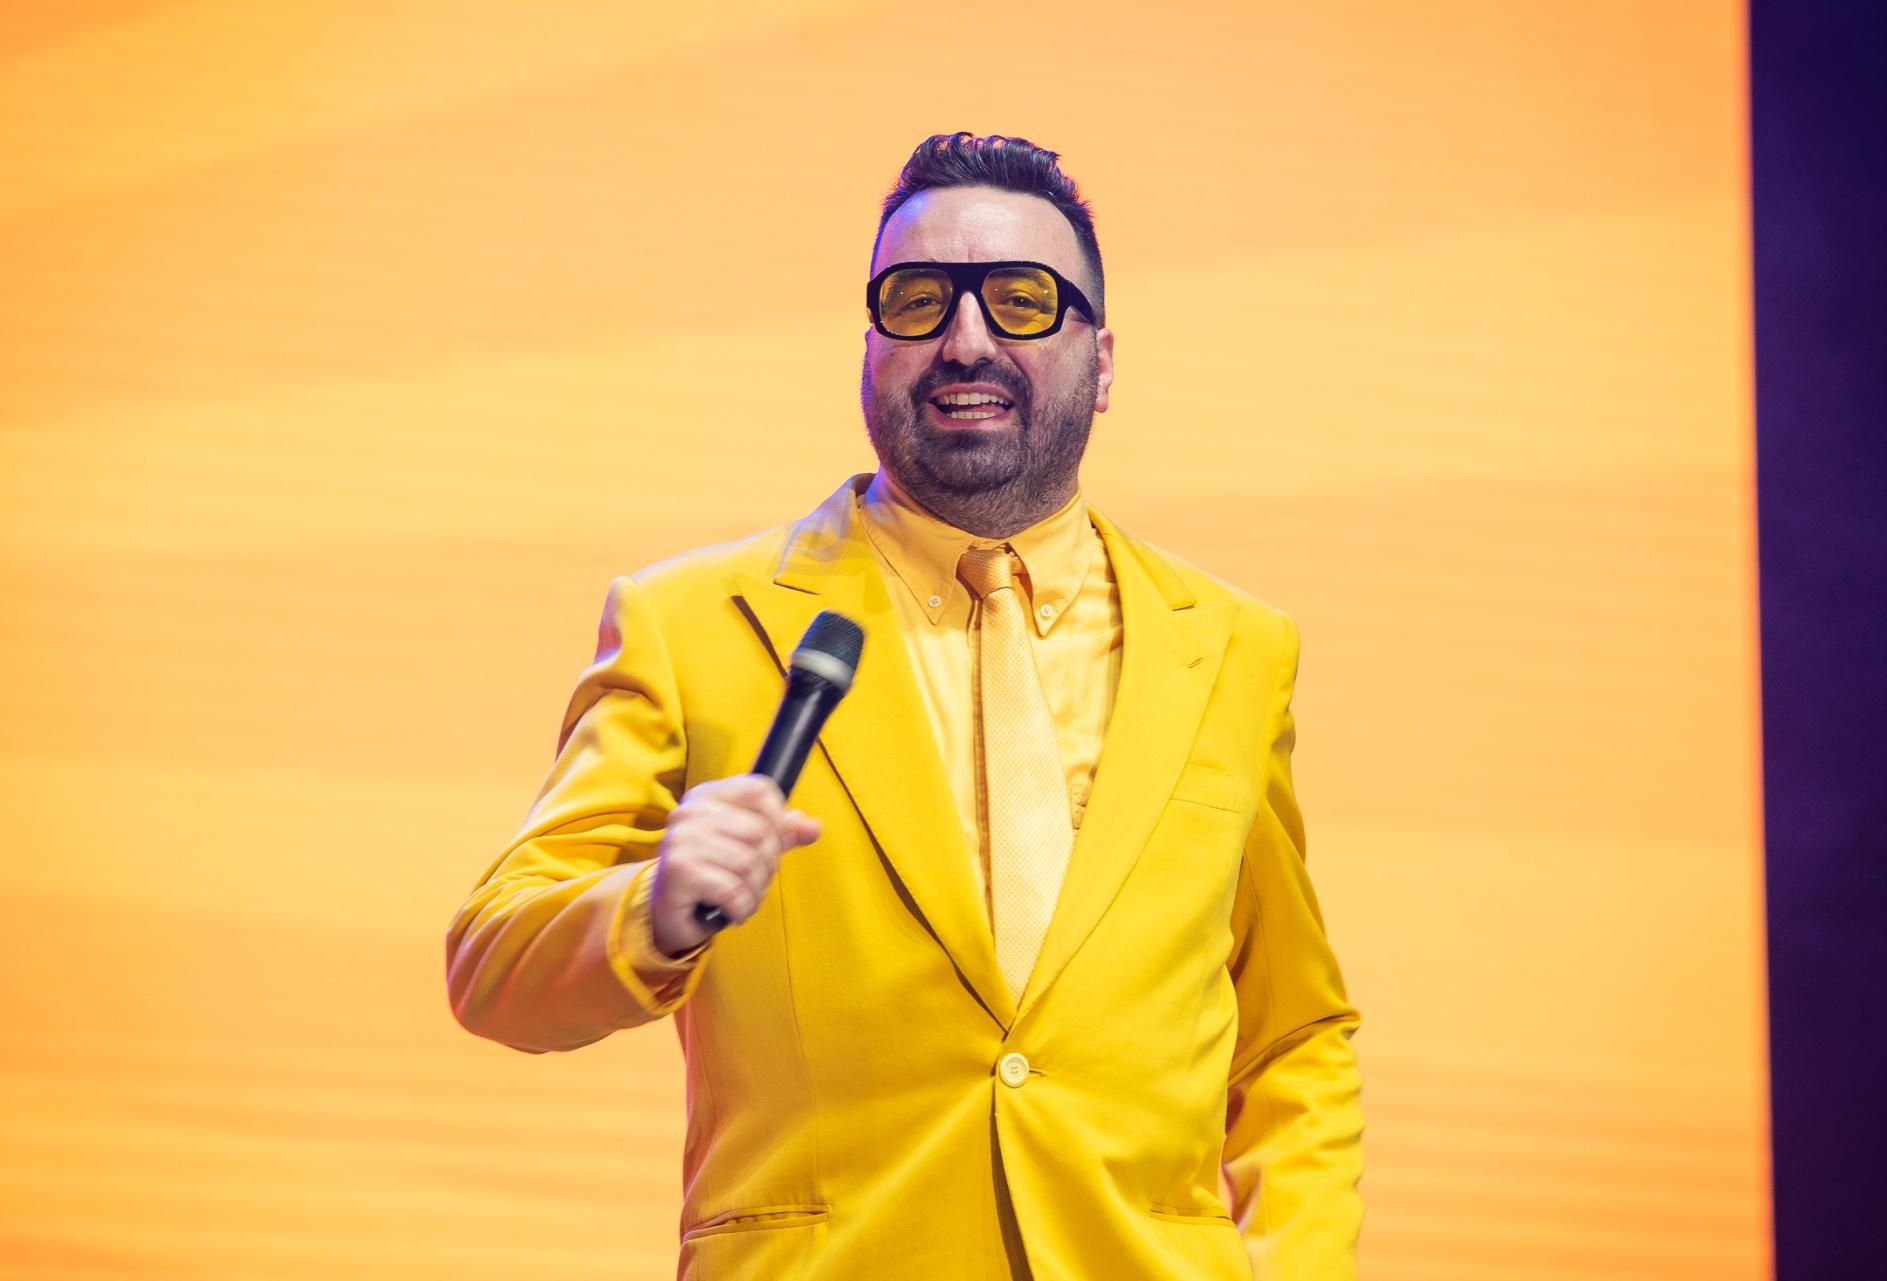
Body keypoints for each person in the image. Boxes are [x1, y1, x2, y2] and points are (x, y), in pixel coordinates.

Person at [446, 131, 1365, 1280]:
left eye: (1021, 300)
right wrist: (653, 910)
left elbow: (1292, 1035)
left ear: (1103, 360)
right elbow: (493, 969)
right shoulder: (691, 623)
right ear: (869, 350)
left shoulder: (1232, 650)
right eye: (919, 301)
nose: (965, 340)